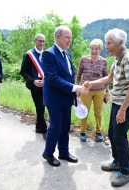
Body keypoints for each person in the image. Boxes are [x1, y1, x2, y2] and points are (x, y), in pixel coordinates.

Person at [84, 28, 129, 187]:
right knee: (113, 133)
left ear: (120, 43)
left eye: (109, 43)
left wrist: (122, 110)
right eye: (106, 42)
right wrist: (90, 83)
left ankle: (127, 172)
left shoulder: (127, 59)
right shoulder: (116, 58)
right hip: (117, 103)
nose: (106, 46)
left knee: (120, 137)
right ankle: (117, 162)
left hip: (124, 105)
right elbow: (109, 78)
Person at [41, 25, 89, 167]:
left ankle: (63, 152)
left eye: (71, 38)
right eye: (67, 37)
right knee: (55, 127)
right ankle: (48, 153)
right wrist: (74, 87)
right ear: (58, 37)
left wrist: (75, 91)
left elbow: (68, 76)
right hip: (54, 99)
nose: (70, 41)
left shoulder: (67, 54)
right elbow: (52, 78)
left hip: (67, 97)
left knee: (65, 127)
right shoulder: (49, 54)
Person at [75, 39, 109, 142]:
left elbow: (106, 77)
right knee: (84, 111)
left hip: (99, 91)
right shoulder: (84, 59)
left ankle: (98, 132)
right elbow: (79, 75)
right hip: (86, 90)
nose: (94, 51)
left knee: (98, 113)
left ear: (100, 50)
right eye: (92, 48)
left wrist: (107, 91)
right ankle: (82, 132)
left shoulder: (103, 61)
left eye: (96, 49)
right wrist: (77, 88)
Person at [20, 34, 47, 139]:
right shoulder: (29, 54)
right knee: (39, 106)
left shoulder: (46, 54)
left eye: (43, 41)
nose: (42, 43)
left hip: (45, 85)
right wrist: (33, 81)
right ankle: (45, 130)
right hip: (34, 85)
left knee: (42, 106)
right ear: (35, 41)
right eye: (40, 41)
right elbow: (23, 72)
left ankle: (38, 127)